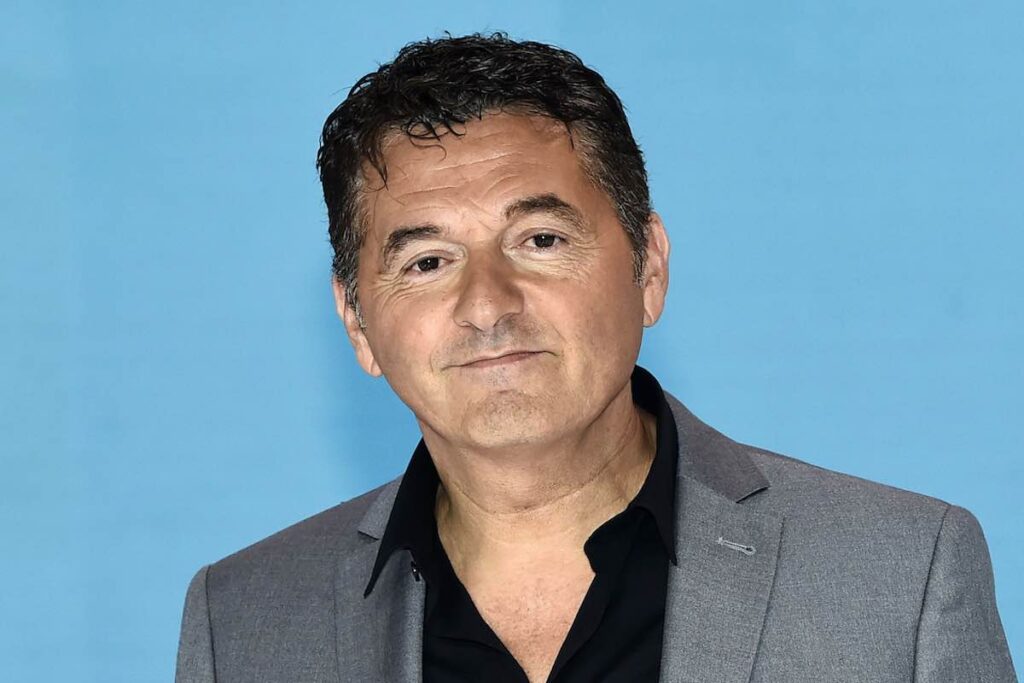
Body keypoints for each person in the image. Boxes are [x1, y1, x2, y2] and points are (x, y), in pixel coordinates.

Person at [175, 34, 1016, 682]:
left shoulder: (899, 578)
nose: (488, 304)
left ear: (649, 269)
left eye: (540, 240)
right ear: (357, 322)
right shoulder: (244, 623)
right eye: (427, 261)